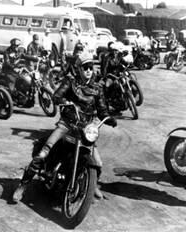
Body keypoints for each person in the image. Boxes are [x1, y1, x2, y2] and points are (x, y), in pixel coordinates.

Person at [11, 51, 117, 203]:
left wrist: (108, 118)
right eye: (85, 67)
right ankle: (23, 185)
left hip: (85, 128)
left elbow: (101, 109)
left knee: (98, 163)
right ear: (79, 68)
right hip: (67, 124)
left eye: (90, 67)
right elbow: (56, 96)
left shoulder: (97, 87)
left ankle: (90, 184)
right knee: (44, 152)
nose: (88, 70)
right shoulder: (70, 81)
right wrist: (64, 102)